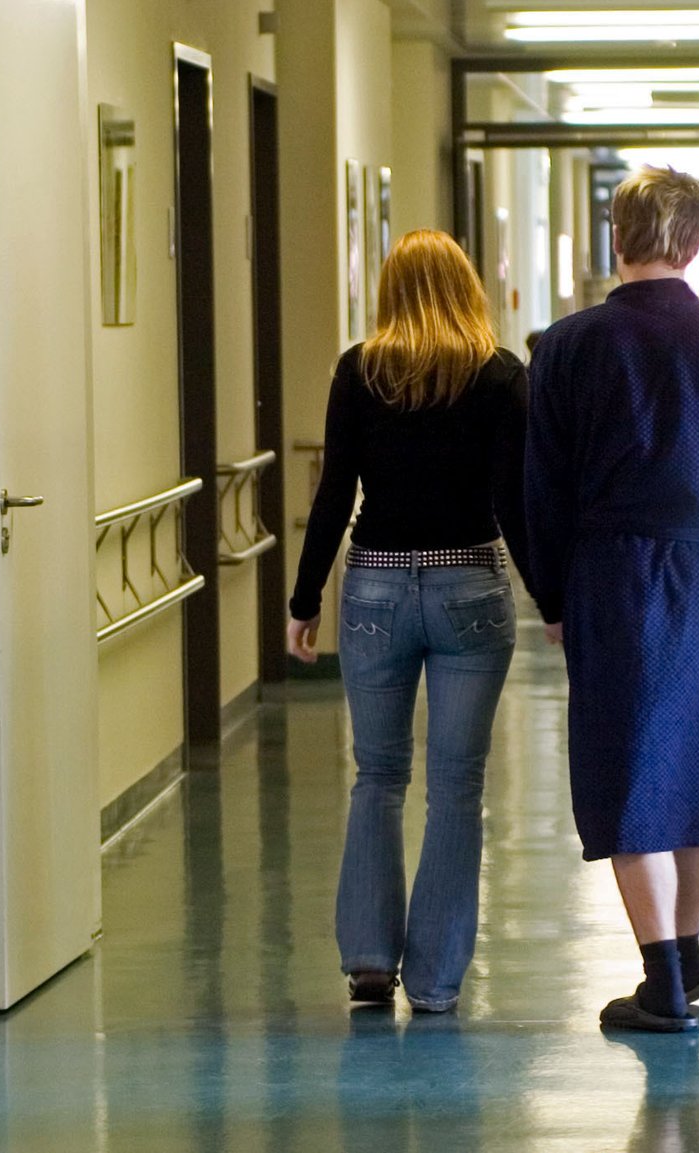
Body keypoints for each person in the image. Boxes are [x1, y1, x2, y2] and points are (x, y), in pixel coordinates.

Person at [525, 167, 699, 1032]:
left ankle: (663, 976)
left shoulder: (564, 346)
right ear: (698, 242)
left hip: (610, 568)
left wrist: (552, 596)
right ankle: (685, 949)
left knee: (624, 759)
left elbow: (541, 486)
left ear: (615, 236)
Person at [286, 228, 559, 1014]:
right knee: (456, 786)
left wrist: (305, 602)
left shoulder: (359, 370)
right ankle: (436, 979)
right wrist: (551, 600)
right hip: (470, 583)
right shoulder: (501, 375)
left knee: (376, 776)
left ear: (390, 292)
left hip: (372, 589)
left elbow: (335, 493)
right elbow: (513, 501)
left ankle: (370, 960)